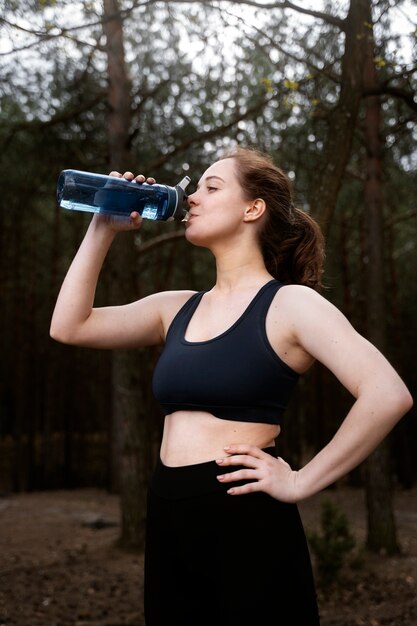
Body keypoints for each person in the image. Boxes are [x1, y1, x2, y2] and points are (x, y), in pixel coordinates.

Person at [50, 147, 412, 625]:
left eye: (211, 186)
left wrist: (301, 480)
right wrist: (102, 225)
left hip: (244, 517)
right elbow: (69, 326)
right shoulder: (176, 307)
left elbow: (388, 393)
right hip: (167, 513)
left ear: (253, 208)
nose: (192, 197)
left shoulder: (291, 305)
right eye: (196, 187)